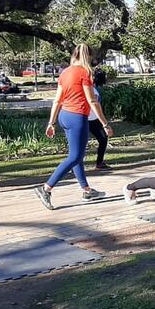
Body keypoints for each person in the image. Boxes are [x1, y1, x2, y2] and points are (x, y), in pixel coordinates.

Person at [34, 44, 112, 211]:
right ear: (88, 57)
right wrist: (105, 124)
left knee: (75, 155)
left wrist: (51, 122)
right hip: (77, 117)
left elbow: (57, 100)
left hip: (64, 116)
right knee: (75, 156)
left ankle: (86, 190)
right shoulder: (85, 73)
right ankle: (46, 188)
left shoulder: (65, 72)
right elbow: (92, 101)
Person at [89, 69, 111, 171]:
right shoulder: (92, 90)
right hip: (89, 119)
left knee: (103, 139)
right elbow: (95, 106)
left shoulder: (93, 89)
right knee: (102, 139)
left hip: (93, 119)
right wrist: (105, 124)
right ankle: (74, 165)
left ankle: (100, 162)